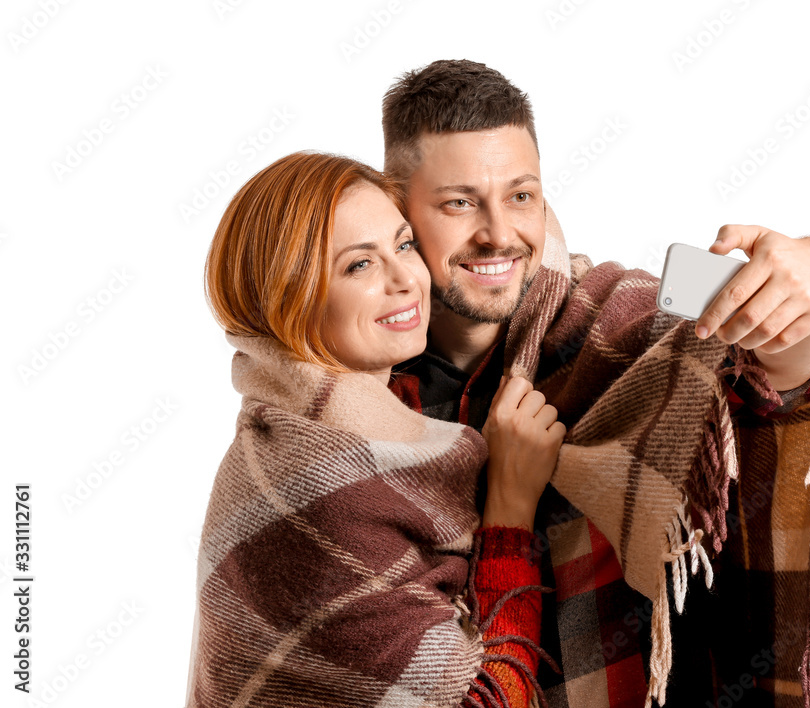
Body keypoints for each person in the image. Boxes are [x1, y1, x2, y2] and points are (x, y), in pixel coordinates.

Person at [383, 60, 810, 708]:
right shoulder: (351, 396)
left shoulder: (610, 321)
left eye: (521, 195)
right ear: (396, 208)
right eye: (460, 202)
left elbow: (755, 380)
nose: (499, 232)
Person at [185, 151, 566, 707]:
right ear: (289, 298)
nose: (406, 280)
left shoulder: (319, 418)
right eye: (359, 265)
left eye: (404, 244)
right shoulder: (320, 480)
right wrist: (510, 504)